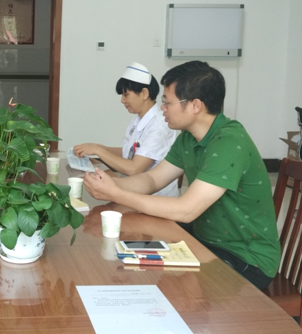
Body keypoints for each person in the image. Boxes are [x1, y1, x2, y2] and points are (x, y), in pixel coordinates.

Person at [83, 61, 281, 290]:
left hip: (244, 256)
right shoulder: (188, 137)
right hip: (203, 239)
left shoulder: (228, 142)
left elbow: (186, 210)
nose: (162, 108)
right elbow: (152, 179)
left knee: (171, 293)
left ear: (195, 105)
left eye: (167, 102)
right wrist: (111, 184)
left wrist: (116, 193)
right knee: (127, 254)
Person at [74, 62, 179, 196]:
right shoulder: (137, 120)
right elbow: (130, 152)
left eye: (126, 95)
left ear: (144, 93)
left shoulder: (160, 125)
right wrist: (99, 150)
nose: (122, 100)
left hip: (155, 198)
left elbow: (134, 168)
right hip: (132, 190)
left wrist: (98, 151)